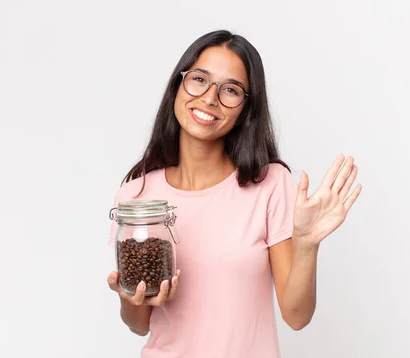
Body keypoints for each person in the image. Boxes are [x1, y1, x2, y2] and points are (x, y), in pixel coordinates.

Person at [107, 29, 362, 358]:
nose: (211, 98)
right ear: (177, 86)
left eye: (230, 89)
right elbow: (139, 323)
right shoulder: (137, 197)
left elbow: (296, 317)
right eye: (199, 79)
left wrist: (307, 246)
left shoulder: (270, 185)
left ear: (246, 109)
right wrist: (129, 298)